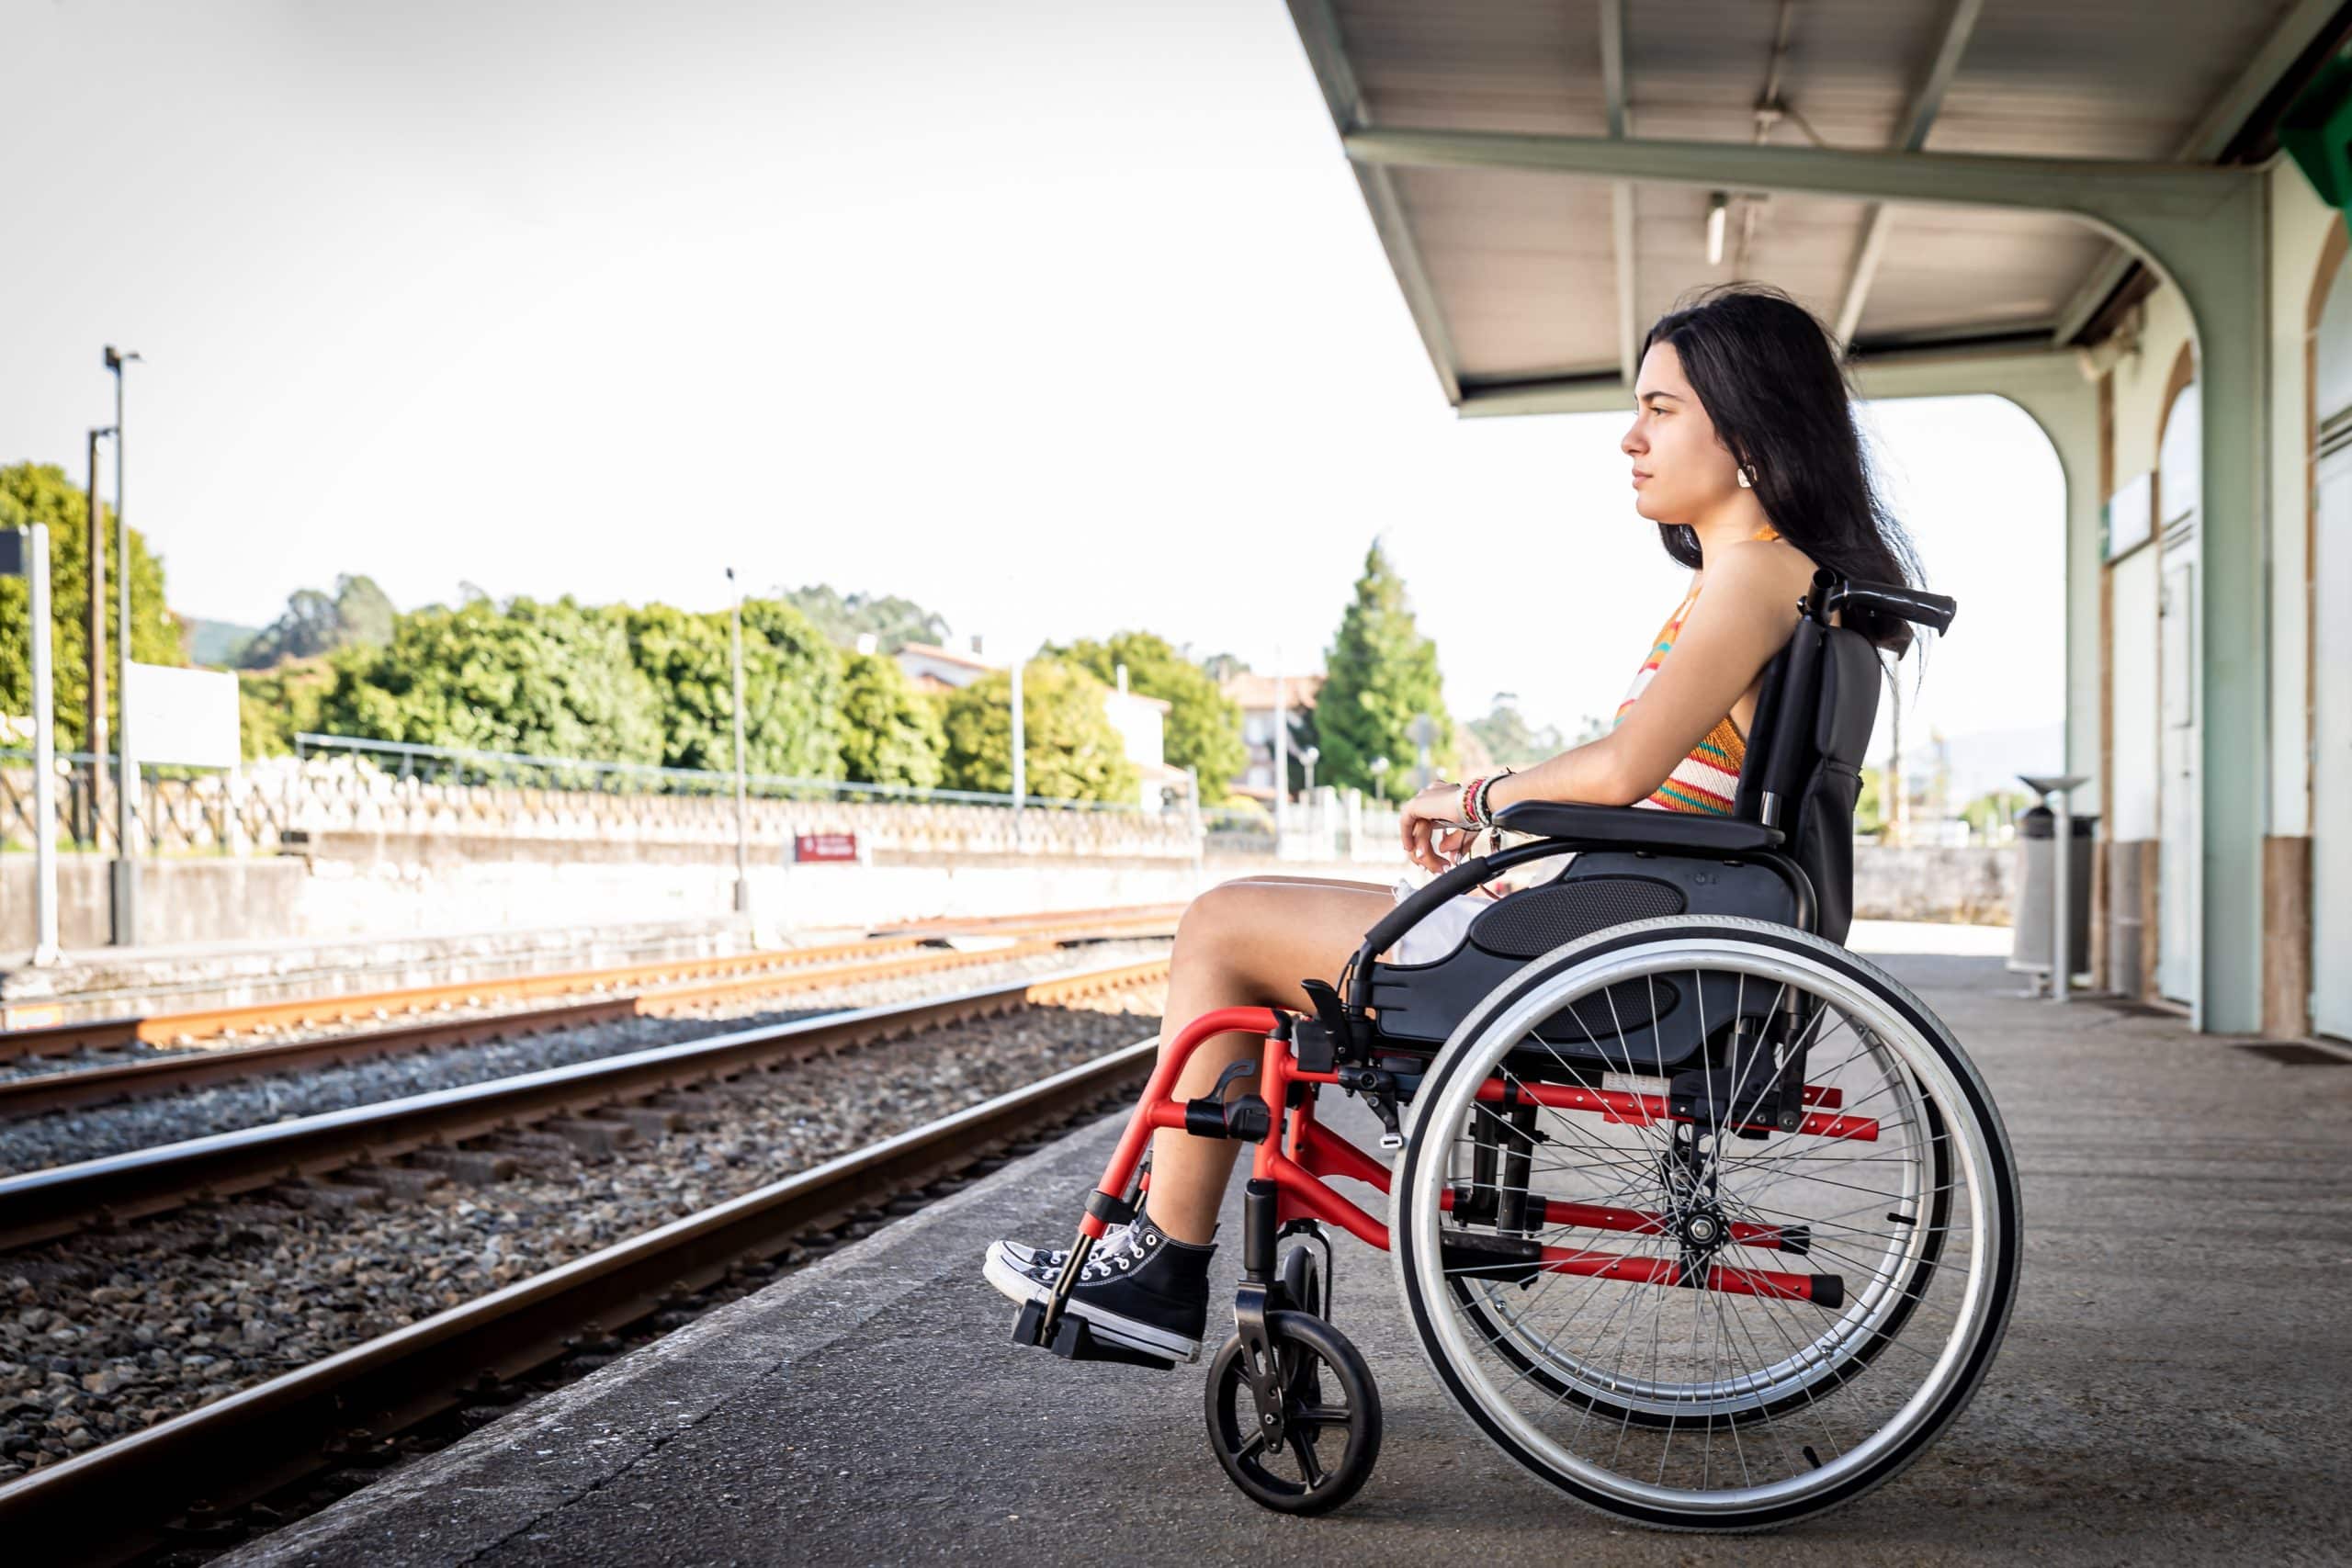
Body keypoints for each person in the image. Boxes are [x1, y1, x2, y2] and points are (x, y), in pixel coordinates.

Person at [981, 284, 1928, 1363]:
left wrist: (1473, 798)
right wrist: (1497, 817)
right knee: (1243, 943)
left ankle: (1158, 1263)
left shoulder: (1756, 572)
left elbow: (1624, 769)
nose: (1629, 438)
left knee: (1221, 928)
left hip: (1604, 943)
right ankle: (1159, 1256)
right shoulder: (1785, 578)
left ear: (1749, 426)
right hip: (1621, 919)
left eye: (1660, 409)